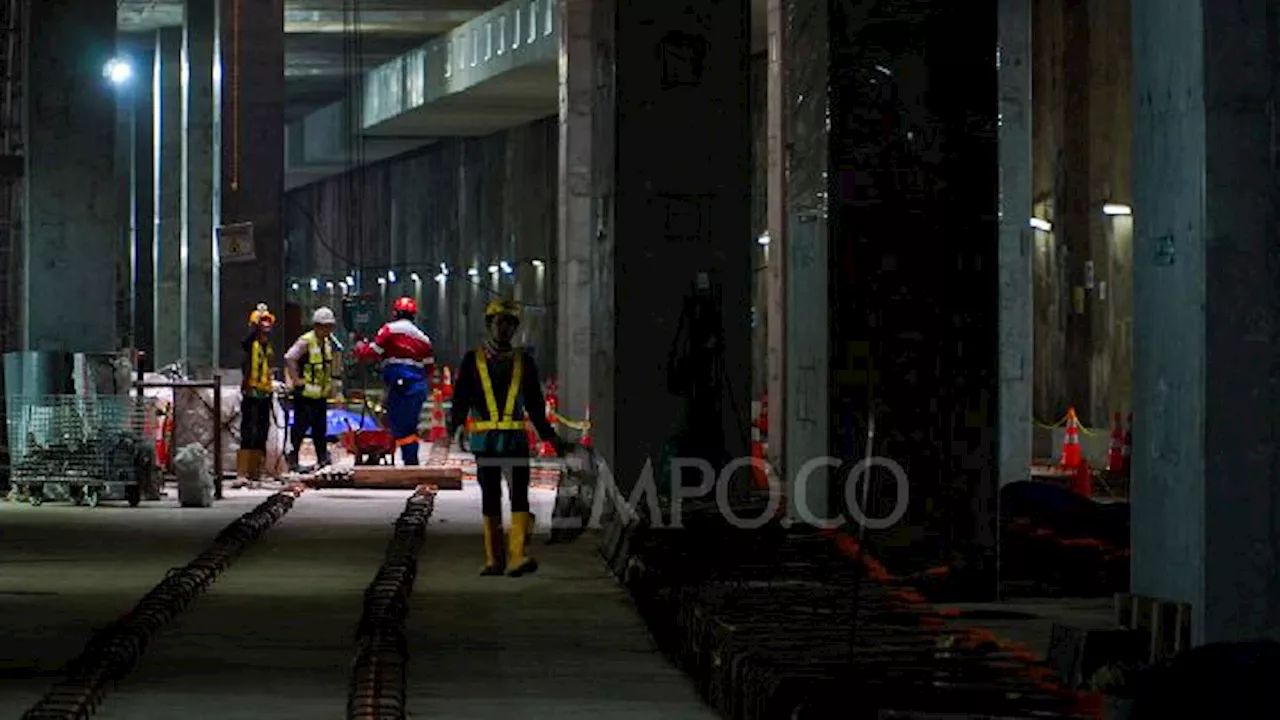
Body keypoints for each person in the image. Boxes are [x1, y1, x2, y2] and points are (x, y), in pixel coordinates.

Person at [448, 298, 568, 577]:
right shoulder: (472, 360)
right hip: (485, 442)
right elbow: (460, 399)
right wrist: (456, 428)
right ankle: (494, 559)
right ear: (489, 325)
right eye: (499, 322)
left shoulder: (524, 362)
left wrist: (551, 438)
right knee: (490, 497)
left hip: (514, 441)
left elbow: (536, 406)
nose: (504, 328)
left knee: (519, 497)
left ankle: (517, 556)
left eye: (510, 324)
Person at [354, 296, 435, 465]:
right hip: (417, 388)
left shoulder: (389, 330)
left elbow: (372, 352)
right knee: (407, 425)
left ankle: (409, 461)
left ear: (395, 313)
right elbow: (429, 368)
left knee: (400, 426)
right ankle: (405, 458)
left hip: (401, 386)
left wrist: (360, 347)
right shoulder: (423, 338)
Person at [284, 307, 341, 472]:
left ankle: (322, 458)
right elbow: (290, 357)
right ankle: (292, 459)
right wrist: (296, 380)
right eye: (325, 326)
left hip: (320, 395)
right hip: (305, 394)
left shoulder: (327, 342)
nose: (328, 330)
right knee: (300, 428)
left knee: (320, 429)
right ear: (317, 326)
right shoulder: (306, 341)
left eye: (330, 326)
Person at [238, 303, 277, 484]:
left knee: (263, 431)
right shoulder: (250, 344)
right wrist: (255, 322)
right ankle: (243, 473)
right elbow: (245, 343)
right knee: (248, 432)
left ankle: (256, 472)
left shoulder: (266, 346)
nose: (266, 328)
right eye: (262, 324)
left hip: (264, 394)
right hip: (251, 394)